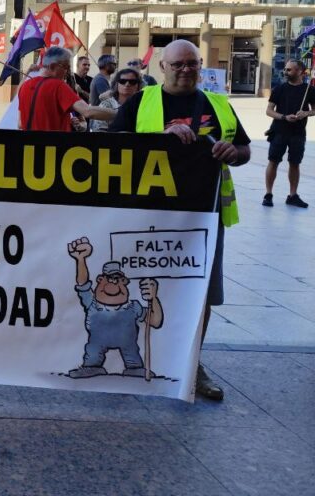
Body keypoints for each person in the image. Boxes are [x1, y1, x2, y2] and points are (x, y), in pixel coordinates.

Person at [108, 39, 251, 401]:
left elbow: (245, 149)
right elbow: (111, 148)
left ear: (200, 66)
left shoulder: (218, 104)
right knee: (137, 287)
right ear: (162, 68)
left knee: (199, 292)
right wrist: (160, 138)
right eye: (178, 64)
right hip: (146, 215)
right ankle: (129, 359)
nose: (185, 70)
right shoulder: (140, 102)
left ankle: (192, 363)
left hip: (204, 218)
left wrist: (234, 152)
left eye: (192, 64)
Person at [66, 238, 162, 378]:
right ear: (100, 280)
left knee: (131, 352)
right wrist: (81, 259)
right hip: (97, 341)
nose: (113, 284)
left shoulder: (133, 307)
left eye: (117, 280)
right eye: (109, 279)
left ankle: (135, 368)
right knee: (93, 352)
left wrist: (153, 298)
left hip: (127, 342)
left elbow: (155, 321)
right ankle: (92, 367)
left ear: (124, 282)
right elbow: (83, 284)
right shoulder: (92, 303)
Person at [17, 47, 115, 132]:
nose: (67, 72)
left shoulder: (24, 86)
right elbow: (87, 111)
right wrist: (120, 113)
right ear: (52, 66)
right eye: (66, 67)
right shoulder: (58, 85)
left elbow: (20, 124)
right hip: (53, 148)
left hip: (28, 149)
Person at [263, 59, 312, 208]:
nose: (285, 72)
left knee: (295, 163)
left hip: (298, 133)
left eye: (289, 70)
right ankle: (268, 194)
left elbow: (314, 109)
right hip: (279, 131)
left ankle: (292, 195)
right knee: (273, 161)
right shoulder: (279, 89)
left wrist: (306, 113)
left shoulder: (309, 89)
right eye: (285, 69)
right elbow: (269, 110)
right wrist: (284, 117)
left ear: (300, 72)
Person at [92, 67, 142, 133]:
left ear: (138, 85)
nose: (127, 84)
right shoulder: (107, 104)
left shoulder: (144, 105)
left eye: (132, 82)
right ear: (116, 84)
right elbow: (98, 133)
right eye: (122, 81)